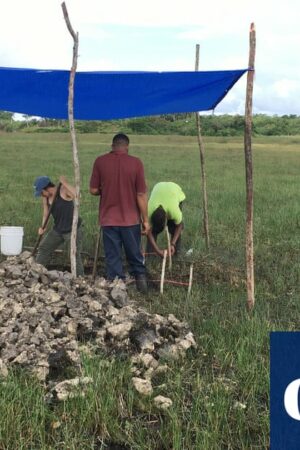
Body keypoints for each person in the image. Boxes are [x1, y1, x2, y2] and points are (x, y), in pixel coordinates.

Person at [89, 133, 149, 293]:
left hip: (108, 218)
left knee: (113, 255)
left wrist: (105, 189)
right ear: (127, 146)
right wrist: (146, 220)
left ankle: (117, 288)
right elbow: (141, 195)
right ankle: (141, 283)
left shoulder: (100, 161)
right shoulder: (136, 163)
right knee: (134, 252)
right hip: (130, 219)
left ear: (112, 145)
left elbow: (93, 190)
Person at [33, 175, 84, 276]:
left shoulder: (63, 190)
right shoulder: (46, 198)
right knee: (44, 247)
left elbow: (78, 195)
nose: (41, 195)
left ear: (47, 188)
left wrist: (65, 183)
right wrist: (43, 227)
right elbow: (46, 214)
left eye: (41, 192)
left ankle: (80, 279)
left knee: (73, 254)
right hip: (58, 230)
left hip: (72, 229)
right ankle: (36, 273)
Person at [146, 182, 185, 257]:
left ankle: (175, 253)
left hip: (174, 190)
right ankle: (149, 255)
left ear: (167, 217)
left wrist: (172, 244)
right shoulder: (148, 211)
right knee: (154, 230)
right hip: (159, 186)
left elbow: (179, 225)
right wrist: (158, 251)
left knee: (173, 227)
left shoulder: (174, 211)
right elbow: (148, 230)